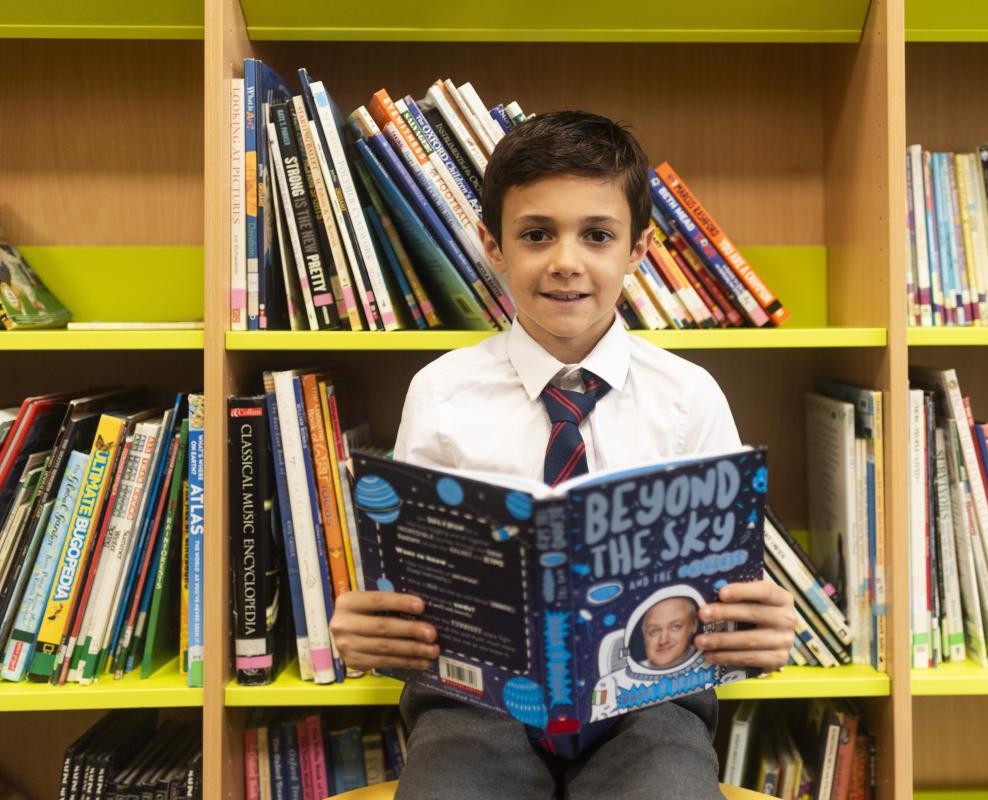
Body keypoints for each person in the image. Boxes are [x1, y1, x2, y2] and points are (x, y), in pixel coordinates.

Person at [329, 110, 796, 800]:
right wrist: (368, 627)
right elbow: (409, 578)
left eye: (597, 235)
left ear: (637, 249)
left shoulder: (688, 397)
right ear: (493, 245)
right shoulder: (442, 393)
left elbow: (725, 591)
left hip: (649, 700)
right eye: (536, 234)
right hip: (476, 704)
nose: (566, 262)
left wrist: (760, 630)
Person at [639, 596, 700, 670]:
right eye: (654, 631)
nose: (663, 641)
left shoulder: (712, 659)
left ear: (693, 625)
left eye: (675, 627)